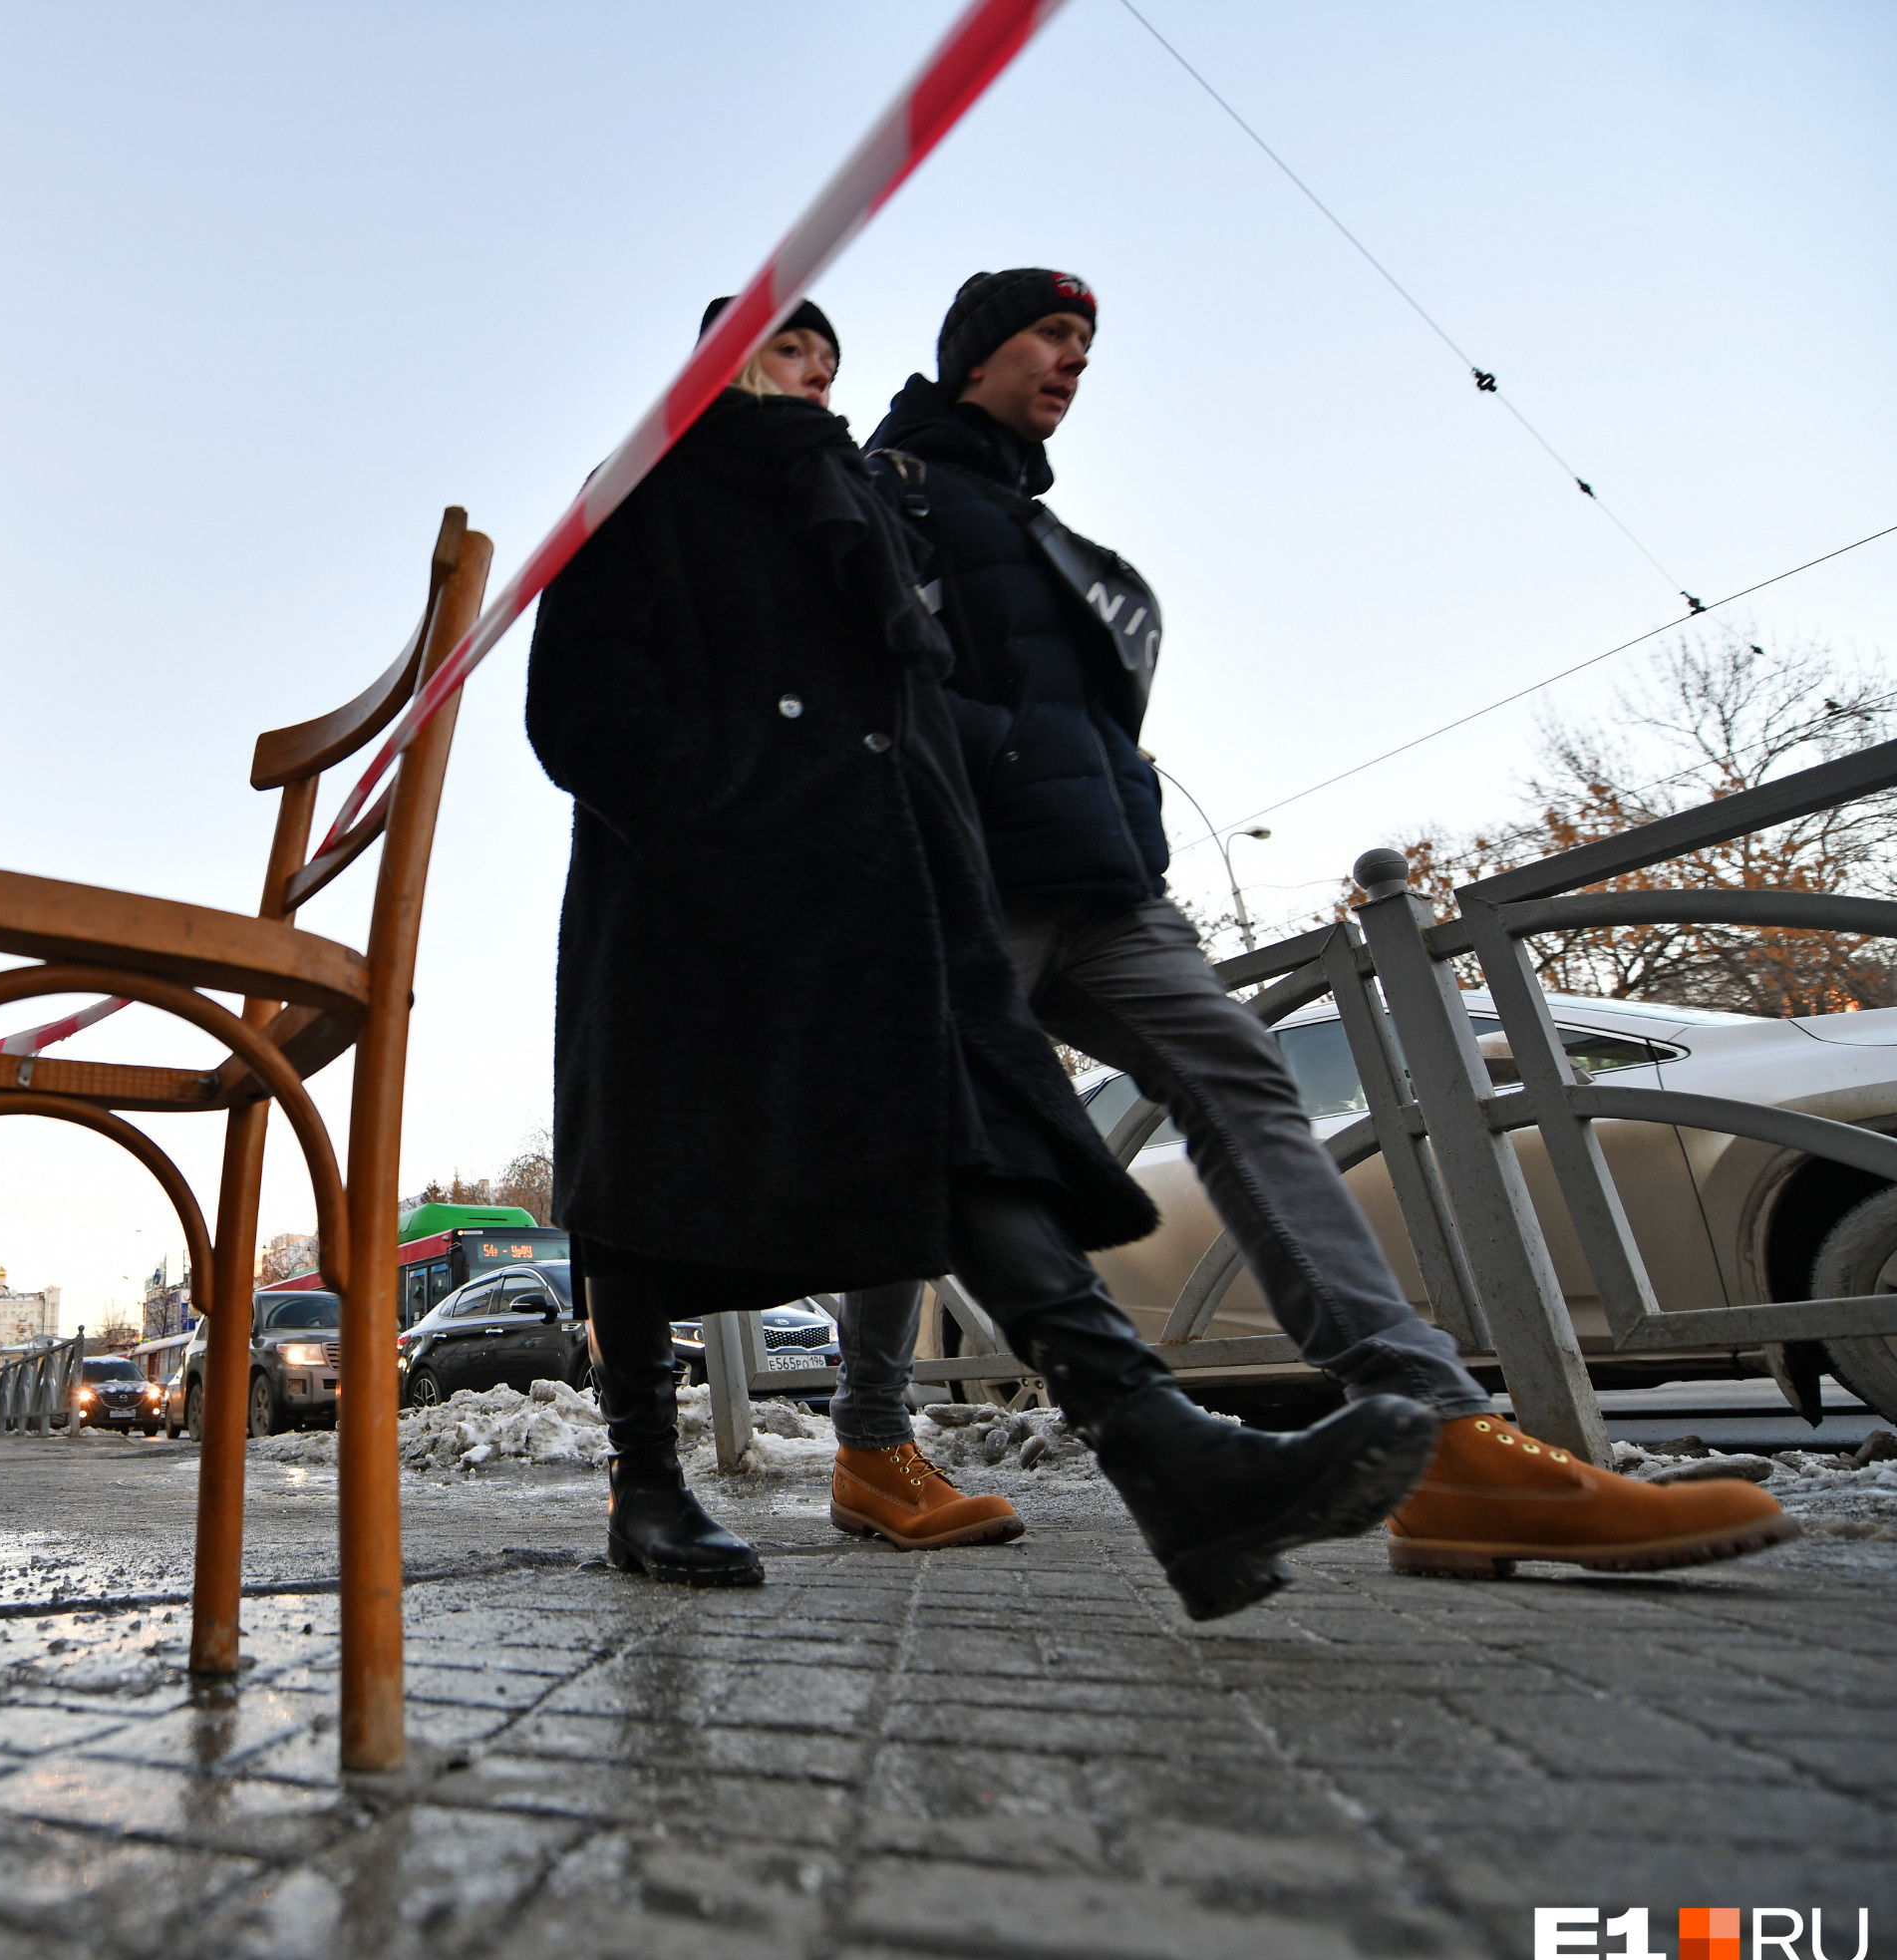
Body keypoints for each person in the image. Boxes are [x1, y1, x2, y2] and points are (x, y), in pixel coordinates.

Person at [840, 267, 1794, 1576]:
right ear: (975, 354)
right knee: (933, 1157)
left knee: (1246, 1088)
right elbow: (864, 687)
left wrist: (1120, 809)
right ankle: (872, 1440)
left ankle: (1446, 1443)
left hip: (1111, 888)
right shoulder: (888, 489)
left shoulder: (1046, 530)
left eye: (1087, 342)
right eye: (1050, 336)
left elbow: (1090, 714)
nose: (1074, 361)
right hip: (959, 887)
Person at [524, 296, 1441, 1622]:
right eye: (788, 347)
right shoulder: (640, 492)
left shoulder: (855, 503)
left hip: (882, 883)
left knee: (970, 1137)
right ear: (715, 369)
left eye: (829, 355)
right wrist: (722, 822)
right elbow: (582, 716)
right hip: (697, 888)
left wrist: (937, 863)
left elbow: (916, 705)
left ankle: (1165, 1454)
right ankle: (647, 1479)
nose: (818, 371)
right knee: (647, 1181)